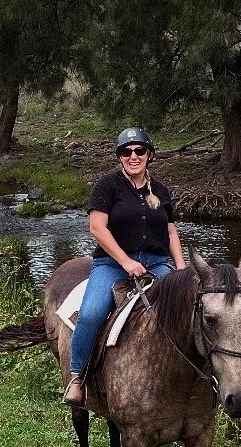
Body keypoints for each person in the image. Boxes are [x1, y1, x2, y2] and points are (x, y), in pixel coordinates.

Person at [64, 127, 186, 404]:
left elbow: (170, 234)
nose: (133, 156)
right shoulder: (107, 186)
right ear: (119, 157)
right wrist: (126, 261)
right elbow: (97, 228)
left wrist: (181, 269)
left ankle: (195, 381)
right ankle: (77, 377)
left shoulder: (162, 191)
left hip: (157, 263)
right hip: (113, 264)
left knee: (185, 310)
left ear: (149, 155)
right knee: (92, 313)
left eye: (139, 150)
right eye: (126, 152)